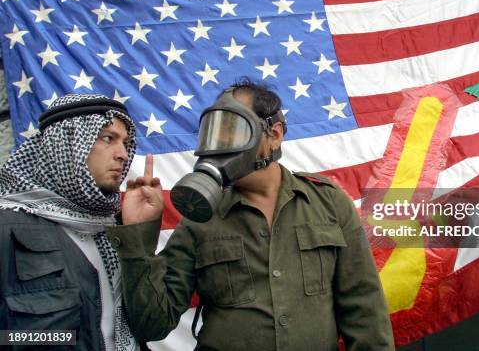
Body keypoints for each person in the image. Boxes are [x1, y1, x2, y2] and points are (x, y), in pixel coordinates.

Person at [106, 80, 395, 350]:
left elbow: (364, 309)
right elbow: (152, 324)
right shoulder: (201, 217)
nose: (220, 143)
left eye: (232, 128)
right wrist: (138, 239)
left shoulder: (327, 202)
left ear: (275, 135)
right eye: (215, 131)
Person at [0, 93, 161, 351]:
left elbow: (153, 325)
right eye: (108, 139)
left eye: (126, 142)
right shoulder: (8, 226)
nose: (122, 154)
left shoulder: (116, 227)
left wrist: (137, 234)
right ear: (66, 143)